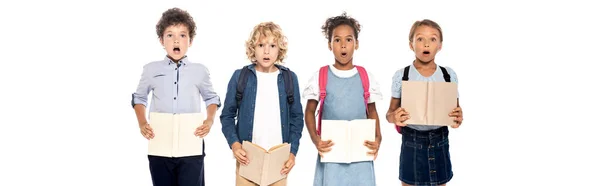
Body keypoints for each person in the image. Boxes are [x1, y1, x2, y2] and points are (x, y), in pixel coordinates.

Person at [130, 7, 221, 186]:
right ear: (161, 40)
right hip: (160, 143)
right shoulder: (150, 69)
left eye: (182, 35)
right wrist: (142, 122)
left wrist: (209, 121)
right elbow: (139, 98)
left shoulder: (200, 71)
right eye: (170, 35)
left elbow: (212, 99)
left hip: (191, 143)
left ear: (190, 41)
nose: (176, 40)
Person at [303, 12, 383, 186]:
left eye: (348, 39)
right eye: (337, 40)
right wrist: (316, 140)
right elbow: (309, 112)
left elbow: (372, 111)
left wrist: (378, 138)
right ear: (330, 45)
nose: (343, 45)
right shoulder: (321, 76)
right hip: (331, 153)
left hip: (361, 154)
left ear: (356, 44)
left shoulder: (365, 77)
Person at [220, 21, 304, 186]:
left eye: (272, 45)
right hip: (247, 159)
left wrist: (292, 152)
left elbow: (297, 118)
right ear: (253, 48)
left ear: (279, 49)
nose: (266, 51)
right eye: (261, 45)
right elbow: (227, 116)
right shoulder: (240, 76)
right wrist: (235, 145)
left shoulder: (289, 78)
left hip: (279, 162)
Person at [386, 19, 464, 186]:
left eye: (433, 39)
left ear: (440, 45)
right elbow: (389, 114)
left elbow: (456, 111)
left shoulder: (448, 75)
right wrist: (395, 117)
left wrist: (458, 118)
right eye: (420, 39)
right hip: (411, 142)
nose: (426, 44)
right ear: (411, 44)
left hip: (440, 140)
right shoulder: (402, 75)